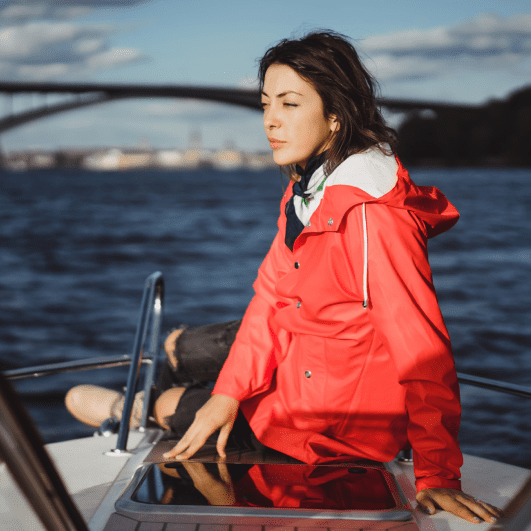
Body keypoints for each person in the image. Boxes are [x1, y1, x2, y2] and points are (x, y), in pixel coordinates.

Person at [66, 30, 501, 524]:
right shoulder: (307, 191)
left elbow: (424, 349)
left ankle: (146, 407)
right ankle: (181, 388)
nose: (270, 120)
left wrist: (439, 474)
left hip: (323, 426)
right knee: (174, 348)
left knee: (119, 400)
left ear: (335, 116)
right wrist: (228, 395)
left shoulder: (374, 219)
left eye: (290, 104)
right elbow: (272, 296)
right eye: (267, 103)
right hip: (301, 362)